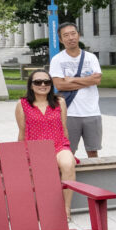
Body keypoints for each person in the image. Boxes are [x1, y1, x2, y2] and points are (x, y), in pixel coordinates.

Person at [15, 69, 76, 219]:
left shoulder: (59, 102)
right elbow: (22, 132)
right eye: (38, 82)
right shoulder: (22, 104)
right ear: (31, 85)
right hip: (35, 149)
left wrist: (68, 149)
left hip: (58, 145)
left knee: (68, 164)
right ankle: (40, 210)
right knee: (39, 173)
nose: (43, 85)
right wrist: (19, 154)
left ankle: (66, 208)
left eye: (47, 82)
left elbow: (64, 127)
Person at [49, 22, 103, 158]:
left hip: (92, 112)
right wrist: (87, 80)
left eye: (73, 33)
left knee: (93, 151)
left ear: (78, 35)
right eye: (66, 35)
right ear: (61, 40)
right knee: (68, 151)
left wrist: (71, 80)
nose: (70, 38)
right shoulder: (57, 60)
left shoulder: (91, 58)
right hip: (69, 113)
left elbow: (97, 80)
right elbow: (60, 85)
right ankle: (68, 178)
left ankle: (93, 179)